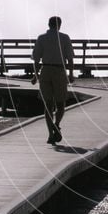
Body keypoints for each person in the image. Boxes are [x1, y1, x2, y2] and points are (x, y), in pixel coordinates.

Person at [31, 16, 74, 144]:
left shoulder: (41, 38)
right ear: (59, 25)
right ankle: (57, 124)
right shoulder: (65, 38)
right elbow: (70, 58)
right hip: (59, 71)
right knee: (61, 104)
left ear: (48, 24)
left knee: (48, 105)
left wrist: (35, 75)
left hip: (45, 71)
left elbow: (36, 59)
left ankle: (50, 134)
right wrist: (71, 74)